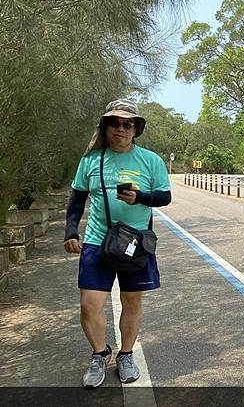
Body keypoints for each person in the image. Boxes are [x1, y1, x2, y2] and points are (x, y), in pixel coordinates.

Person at [64, 99, 172, 389]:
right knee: (89, 305)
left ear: (136, 129)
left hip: (135, 244)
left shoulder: (151, 161)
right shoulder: (90, 160)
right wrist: (71, 232)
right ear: (106, 126)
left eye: (128, 123)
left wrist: (141, 198)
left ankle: (126, 354)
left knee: (132, 301)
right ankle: (100, 354)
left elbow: (164, 197)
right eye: (115, 122)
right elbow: (77, 199)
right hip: (97, 242)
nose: (121, 128)